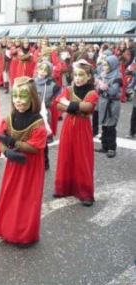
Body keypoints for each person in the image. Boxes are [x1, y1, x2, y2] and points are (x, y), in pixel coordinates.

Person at [0, 76, 47, 248]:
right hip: (13, 164)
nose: (18, 100)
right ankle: (7, 229)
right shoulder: (9, 117)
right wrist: (6, 151)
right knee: (10, 195)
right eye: (15, 95)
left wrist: (12, 143)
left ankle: (25, 234)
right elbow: (0, 138)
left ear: (32, 97)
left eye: (22, 96)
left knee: (27, 198)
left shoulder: (37, 121)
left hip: (30, 165)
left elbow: (35, 147)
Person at [54, 59, 99, 207]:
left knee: (82, 158)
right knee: (65, 155)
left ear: (88, 76)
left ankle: (85, 193)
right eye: (76, 75)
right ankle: (63, 188)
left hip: (82, 127)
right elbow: (57, 103)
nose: (78, 78)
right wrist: (73, 106)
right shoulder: (68, 89)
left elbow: (87, 107)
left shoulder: (92, 92)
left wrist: (68, 104)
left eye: (81, 75)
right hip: (68, 126)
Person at [34, 61, 61, 170]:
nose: (42, 72)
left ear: (48, 72)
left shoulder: (51, 84)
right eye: (41, 69)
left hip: (44, 114)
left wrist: (53, 103)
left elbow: (61, 96)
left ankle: (45, 162)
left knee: (43, 139)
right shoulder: (31, 82)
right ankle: (34, 160)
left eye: (45, 70)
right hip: (31, 112)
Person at [94, 55, 122, 158]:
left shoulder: (117, 76)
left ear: (113, 65)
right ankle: (104, 146)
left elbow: (113, 91)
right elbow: (97, 88)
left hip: (112, 104)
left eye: (106, 65)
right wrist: (100, 86)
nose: (104, 67)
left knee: (110, 126)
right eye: (104, 65)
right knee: (104, 126)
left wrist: (103, 85)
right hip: (103, 102)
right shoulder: (103, 74)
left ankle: (111, 148)